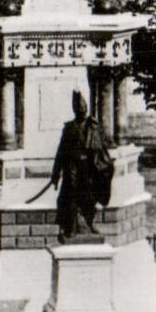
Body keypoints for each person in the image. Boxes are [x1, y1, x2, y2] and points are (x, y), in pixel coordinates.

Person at [51, 92, 112, 241]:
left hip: (89, 169)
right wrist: (55, 174)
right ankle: (70, 228)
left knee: (90, 197)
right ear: (75, 111)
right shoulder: (69, 128)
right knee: (71, 198)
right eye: (79, 109)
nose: (82, 111)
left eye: (84, 108)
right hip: (72, 169)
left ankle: (90, 223)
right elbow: (61, 152)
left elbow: (102, 148)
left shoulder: (93, 127)